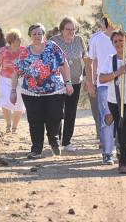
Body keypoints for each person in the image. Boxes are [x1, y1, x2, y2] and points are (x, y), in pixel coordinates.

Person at [12, 24, 72, 159]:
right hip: (31, 92)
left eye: (40, 33)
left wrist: (68, 83)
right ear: (30, 36)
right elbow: (16, 72)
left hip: (54, 90)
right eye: (34, 34)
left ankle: (54, 140)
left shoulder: (52, 46)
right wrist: (13, 91)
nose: (37, 36)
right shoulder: (25, 52)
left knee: (55, 116)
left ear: (43, 35)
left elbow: (64, 64)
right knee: (35, 120)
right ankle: (36, 149)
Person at [98, 30, 126, 174]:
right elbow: (101, 79)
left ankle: (122, 162)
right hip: (114, 100)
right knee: (120, 128)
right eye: (115, 41)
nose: (118, 43)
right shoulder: (110, 59)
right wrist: (117, 73)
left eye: (121, 40)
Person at [50, 17, 87, 153]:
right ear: (61, 29)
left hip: (76, 81)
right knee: (58, 112)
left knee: (71, 112)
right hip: (59, 82)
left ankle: (67, 141)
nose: (71, 32)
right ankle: (56, 140)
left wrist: (87, 77)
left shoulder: (79, 40)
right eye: (68, 29)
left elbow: (85, 58)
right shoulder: (54, 41)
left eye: (73, 29)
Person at [87, 17, 117, 164]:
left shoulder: (124, 37)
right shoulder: (96, 39)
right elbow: (89, 60)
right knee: (107, 118)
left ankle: (120, 149)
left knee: (121, 118)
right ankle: (107, 153)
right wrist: (90, 82)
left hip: (122, 84)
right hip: (104, 84)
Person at [0, 29, 26, 134]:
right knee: (5, 101)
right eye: (18, 38)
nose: (21, 40)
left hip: (20, 80)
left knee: (19, 103)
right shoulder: (3, 50)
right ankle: (8, 124)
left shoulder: (24, 50)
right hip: (5, 80)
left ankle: (14, 127)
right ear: (12, 40)